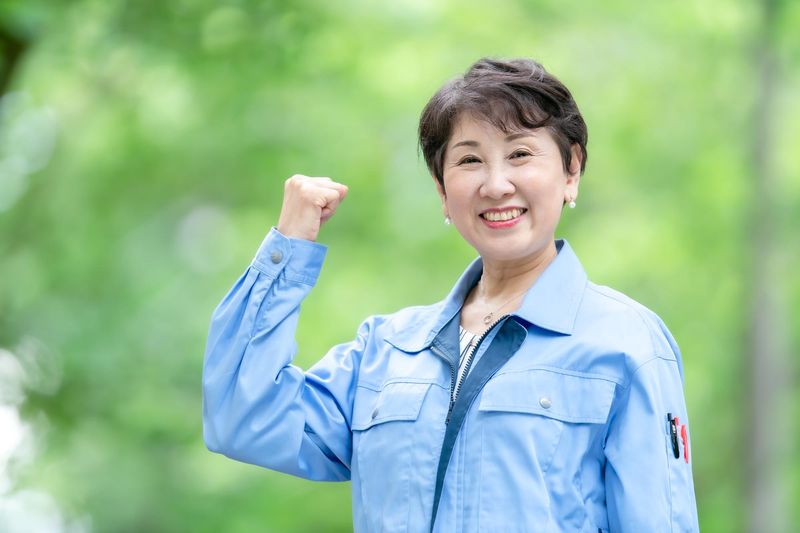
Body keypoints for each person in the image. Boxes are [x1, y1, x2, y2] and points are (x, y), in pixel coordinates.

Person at [202, 57, 699, 532]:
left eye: (520, 154)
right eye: (469, 160)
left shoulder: (625, 343)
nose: (496, 184)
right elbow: (242, 418)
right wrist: (287, 250)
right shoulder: (386, 351)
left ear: (571, 171)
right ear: (442, 190)